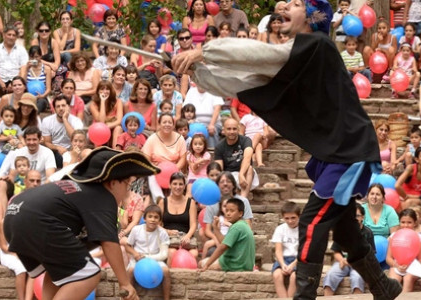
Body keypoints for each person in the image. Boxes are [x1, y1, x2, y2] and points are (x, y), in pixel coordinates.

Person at [171, 0, 402, 298]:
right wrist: (199, 72)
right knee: (344, 229)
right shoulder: (298, 56)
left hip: (349, 151)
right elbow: (245, 84)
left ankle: (303, 296)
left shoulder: (318, 45)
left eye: (295, 3)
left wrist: (204, 51)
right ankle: (383, 287)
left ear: (312, 15)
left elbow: (260, 55)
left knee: (312, 222)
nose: (286, 5)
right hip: (336, 153)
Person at [4, 147, 156, 300]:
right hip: (36, 220)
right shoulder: (103, 197)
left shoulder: (81, 189)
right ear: (113, 183)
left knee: (60, 270)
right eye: (127, 185)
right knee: (89, 274)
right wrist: (125, 283)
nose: (126, 193)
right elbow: (110, 243)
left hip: (14, 214)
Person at [323, 203, 372, 296]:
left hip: (360, 264)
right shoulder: (342, 231)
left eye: (357, 216)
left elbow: (370, 253)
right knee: (330, 275)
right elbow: (336, 251)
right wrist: (342, 260)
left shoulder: (367, 233)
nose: (354, 218)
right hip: (343, 263)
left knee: (357, 278)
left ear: (362, 217)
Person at [124, 205, 171, 300]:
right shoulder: (136, 230)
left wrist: (146, 257)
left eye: (156, 217)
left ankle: (167, 298)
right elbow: (127, 246)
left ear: (160, 221)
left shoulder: (162, 233)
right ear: (144, 218)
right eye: (150, 216)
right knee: (130, 271)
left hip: (155, 259)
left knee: (166, 271)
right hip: (138, 258)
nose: (153, 220)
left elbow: (164, 254)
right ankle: (127, 297)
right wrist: (135, 254)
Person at [199, 197, 255, 271]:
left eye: (232, 211)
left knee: (200, 263)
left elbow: (222, 247)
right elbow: (224, 242)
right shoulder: (242, 224)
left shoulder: (237, 227)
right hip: (243, 265)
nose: (228, 213)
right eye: (227, 210)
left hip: (235, 265)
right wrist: (216, 229)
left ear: (240, 213)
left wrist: (206, 265)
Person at [157, 173, 198, 265]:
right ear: (169, 185)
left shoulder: (190, 203)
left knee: (194, 254)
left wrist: (188, 236)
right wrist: (167, 231)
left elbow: (193, 224)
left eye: (180, 184)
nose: (178, 187)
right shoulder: (163, 202)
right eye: (175, 184)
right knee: (172, 252)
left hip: (186, 237)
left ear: (184, 186)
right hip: (168, 238)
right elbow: (157, 224)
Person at [386, 209, 421, 293]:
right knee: (393, 281)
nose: (406, 225)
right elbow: (388, 258)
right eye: (403, 222)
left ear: (415, 223)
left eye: (409, 222)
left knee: (408, 279)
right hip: (397, 266)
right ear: (399, 222)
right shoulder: (394, 236)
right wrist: (396, 265)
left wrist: (410, 266)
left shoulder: (420, 238)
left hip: (413, 267)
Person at [215, 118, 256, 198]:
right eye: (229, 129)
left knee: (249, 168)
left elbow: (247, 158)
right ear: (224, 130)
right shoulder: (219, 146)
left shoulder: (246, 140)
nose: (232, 132)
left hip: (244, 173)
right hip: (229, 175)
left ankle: (243, 200)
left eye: (234, 129)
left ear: (238, 129)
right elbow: (219, 168)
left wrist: (241, 174)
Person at [41, 95, 84, 168]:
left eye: (63, 105)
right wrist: (57, 147)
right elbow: (47, 142)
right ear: (54, 109)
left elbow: (75, 138)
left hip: (73, 149)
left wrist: (65, 119)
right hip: (55, 150)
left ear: (68, 107)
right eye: (58, 106)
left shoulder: (76, 121)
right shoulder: (47, 121)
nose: (61, 108)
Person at [0, 26, 28, 92]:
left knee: (20, 85)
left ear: (16, 37)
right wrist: (0, 82)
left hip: (16, 79)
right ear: (4, 35)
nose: (11, 37)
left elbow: (24, 67)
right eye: (9, 35)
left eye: (13, 35)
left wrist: (15, 82)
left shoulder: (21, 50)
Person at [271, 201, 300, 298]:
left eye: (293, 218)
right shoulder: (280, 229)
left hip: (298, 259)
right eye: (287, 218)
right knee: (277, 275)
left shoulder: (303, 229)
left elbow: (303, 251)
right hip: (284, 259)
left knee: (294, 277)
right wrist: (283, 264)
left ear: (298, 216)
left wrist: (293, 265)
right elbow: (278, 250)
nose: (290, 221)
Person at [20, 45, 53, 112]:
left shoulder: (46, 69)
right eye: (32, 57)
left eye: (36, 57)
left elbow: (49, 89)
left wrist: (42, 95)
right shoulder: (24, 68)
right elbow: (21, 83)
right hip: (28, 96)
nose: (34, 59)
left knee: (41, 103)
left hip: (41, 97)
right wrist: (27, 69)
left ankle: (34, 115)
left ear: (40, 56)